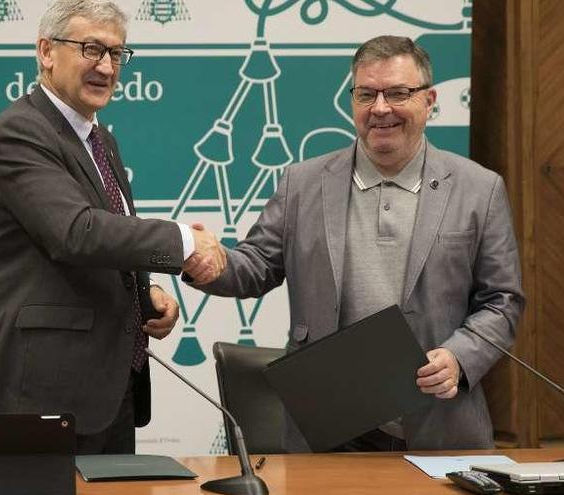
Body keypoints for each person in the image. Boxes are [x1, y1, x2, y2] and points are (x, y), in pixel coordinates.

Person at [185, 35, 524, 451]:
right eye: (366, 94)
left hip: (440, 422)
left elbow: (502, 300)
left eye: (398, 93)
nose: (380, 108)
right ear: (353, 102)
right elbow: (255, 267)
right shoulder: (302, 184)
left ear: (429, 100)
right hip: (330, 427)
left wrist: (459, 356)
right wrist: (208, 261)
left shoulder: (479, 189)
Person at [0, 0, 224, 454]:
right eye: (91, 49)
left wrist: (144, 297)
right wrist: (184, 240)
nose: (106, 66)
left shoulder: (101, 139)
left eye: (117, 54)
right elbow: (76, 233)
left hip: (110, 387)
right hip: (42, 392)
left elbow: (112, 231)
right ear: (46, 51)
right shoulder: (20, 130)